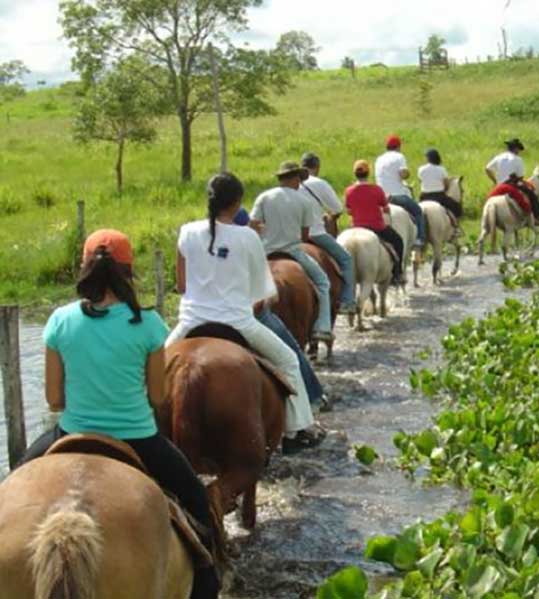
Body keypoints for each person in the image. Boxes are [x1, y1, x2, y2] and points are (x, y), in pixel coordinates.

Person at [17, 229, 220, 599]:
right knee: (197, 502)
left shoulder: (60, 321)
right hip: (139, 438)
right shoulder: (148, 324)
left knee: (11, 488)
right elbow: (158, 396)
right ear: (129, 272)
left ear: (84, 268)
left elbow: (53, 398)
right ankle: (208, 582)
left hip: (69, 431)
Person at [166, 172, 323, 454]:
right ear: (238, 203)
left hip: (190, 323)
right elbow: (262, 294)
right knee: (288, 360)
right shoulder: (248, 236)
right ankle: (296, 430)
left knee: (150, 372)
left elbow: (180, 284)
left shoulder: (187, 231)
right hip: (238, 323)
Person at [233, 208, 329, 410]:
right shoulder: (249, 241)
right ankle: (311, 404)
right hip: (245, 316)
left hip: (198, 317)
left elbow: (183, 287)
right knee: (291, 359)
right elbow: (265, 297)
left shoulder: (192, 235)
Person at [251, 162, 334, 344]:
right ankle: (323, 326)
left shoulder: (264, 197)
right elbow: (304, 236)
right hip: (293, 251)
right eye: (299, 179)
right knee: (322, 282)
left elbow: (254, 225)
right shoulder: (304, 201)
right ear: (295, 178)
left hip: (265, 253)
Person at [299, 152, 357, 315]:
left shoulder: (289, 185)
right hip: (315, 233)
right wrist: (329, 216)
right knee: (346, 259)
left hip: (290, 236)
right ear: (317, 167)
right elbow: (338, 208)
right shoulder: (319, 183)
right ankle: (347, 301)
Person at [345, 160, 405, 286]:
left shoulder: (349, 191)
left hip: (357, 227)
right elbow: (386, 208)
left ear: (354, 174)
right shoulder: (377, 189)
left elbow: (349, 211)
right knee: (398, 241)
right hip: (377, 227)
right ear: (368, 173)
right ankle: (397, 273)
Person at [375, 135, 425, 247]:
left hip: (382, 197)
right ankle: (419, 239)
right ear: (398, 146)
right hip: (397, 196)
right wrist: (407, 173)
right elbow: (403, 174)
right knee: (418, 211)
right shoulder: (399, 156)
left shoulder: (379, 159)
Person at [485, 138, 539, 226]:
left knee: (488, 199)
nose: (519, 151)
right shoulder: (517, 159)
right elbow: (521, 177)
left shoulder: (499, 157)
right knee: (532, 194)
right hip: (511, 185)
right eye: (518, 149)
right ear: (516, 149)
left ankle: (486, 219)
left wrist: (495, 181)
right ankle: (536, 218)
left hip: (499, 185)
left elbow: (487, 169)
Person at [418, 148, 464, 220]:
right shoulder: (441, 169)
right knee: (457, 208)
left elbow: (421, 181)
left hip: (424, 196)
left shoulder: (421, 169)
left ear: (427, 158)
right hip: (439, 196)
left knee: (415, 212)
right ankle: (455, 226)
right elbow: (446, 184)